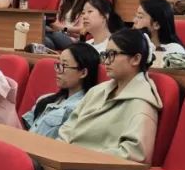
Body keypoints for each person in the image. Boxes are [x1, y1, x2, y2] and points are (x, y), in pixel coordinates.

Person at [58, 28, 162, 162]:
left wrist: (81, 156)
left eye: (112, 54)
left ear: (135, 59)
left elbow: (134, 153)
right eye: (105, 55)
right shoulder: (97, 91)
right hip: (67, 160)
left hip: (90, 167)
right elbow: (68, 128)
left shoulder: (142, 103)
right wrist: (59, 152)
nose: (106, 61)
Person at [23, 44, 101, 138]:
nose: (58, 70)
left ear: (83, 73)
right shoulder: (47, 99)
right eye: (58, 64)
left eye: (64, 65)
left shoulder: (82, 109)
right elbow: (24, 130)